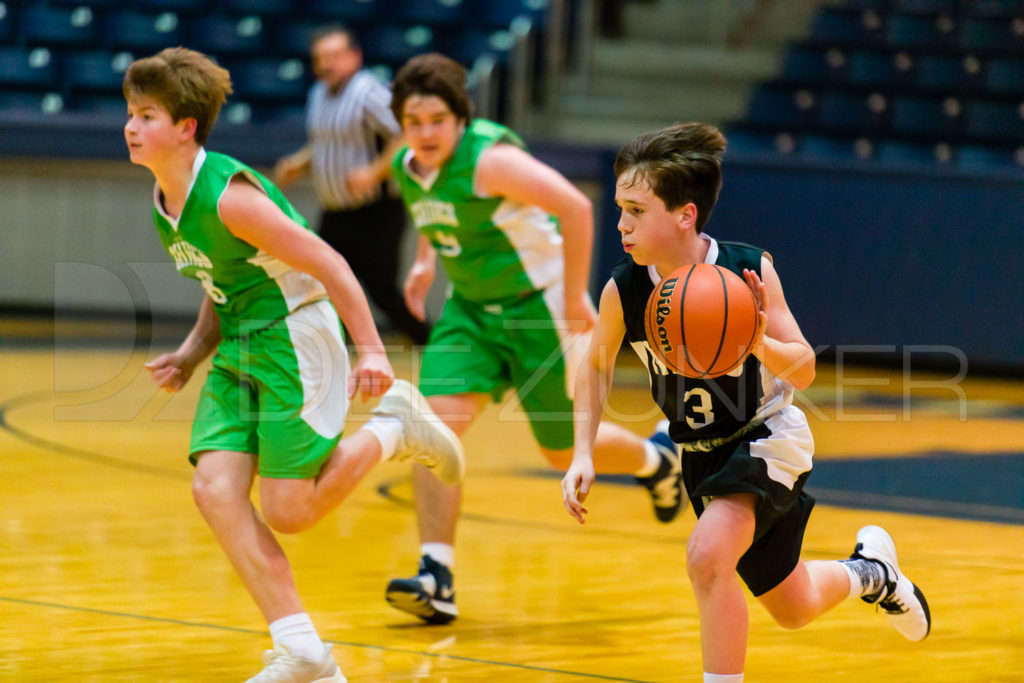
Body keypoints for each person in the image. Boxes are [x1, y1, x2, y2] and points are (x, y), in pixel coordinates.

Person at [123, 47, 465, 683]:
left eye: (146, 115)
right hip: (239, 348)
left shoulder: (233, 197)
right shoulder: (165, 199)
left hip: (293, 339)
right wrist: (192, 354)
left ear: (186, 127)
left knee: (288, 510)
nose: (131, 127)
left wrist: (370, 349)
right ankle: (304, 652)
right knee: (215, 489)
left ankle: (394, 426)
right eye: (130, 114)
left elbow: (330, 262)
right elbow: (223, 280)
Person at [561, 122, 931, 682]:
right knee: (794, 604)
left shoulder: (746, 270)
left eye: (636, 210)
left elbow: (803, 367)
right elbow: (596, 363)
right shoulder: (626, 288)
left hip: (765, 438)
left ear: (685, 214)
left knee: (708, 559)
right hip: (700, 455)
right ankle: (873, 573)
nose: (621, 224)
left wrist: (755, 339)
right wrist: (582, 453)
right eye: (619, 208)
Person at [382, 52, 684, 625]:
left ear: (461, 121)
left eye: (437, 122)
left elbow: (575, 207)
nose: (424, 134)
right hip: (470, 312)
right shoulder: (407, 164)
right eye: (413, 122)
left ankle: (656, 461)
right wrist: (424, 263)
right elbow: (431, 210)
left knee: (561, 452)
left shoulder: (491, 163)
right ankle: (435, 573)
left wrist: (574, 297)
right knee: (432, 429)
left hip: (534, 311)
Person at [274, 25, 430, 347]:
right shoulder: (318, 93)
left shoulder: (370, 93)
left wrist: (373, 172)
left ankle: (431, 341)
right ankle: (333, 355)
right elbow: (325, 144)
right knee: (324, 283)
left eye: (334, 56)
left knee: (382, 290)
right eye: (320, 58)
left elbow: (405, 137)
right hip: (335, 212)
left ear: (354, 57)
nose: (326, 64)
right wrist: (300, 163)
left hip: (376, 211)